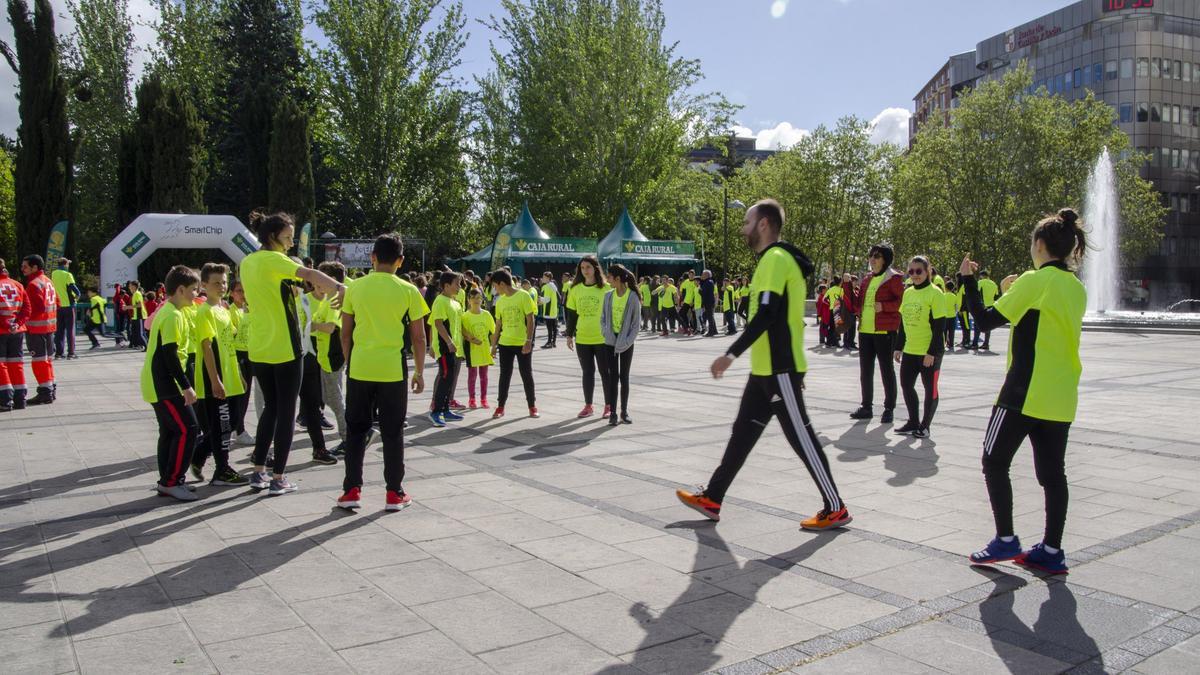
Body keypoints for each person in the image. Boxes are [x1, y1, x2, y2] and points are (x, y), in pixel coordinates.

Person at [676, 200, 850, 530]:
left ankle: (835, 506)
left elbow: (767, 315)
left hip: (780, 369)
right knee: (741, 435)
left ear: (764, 224)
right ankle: (713, 496)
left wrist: (730, 354)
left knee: (802, 438)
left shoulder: (774, 259)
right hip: (766, 372)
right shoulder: (776, 260)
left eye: (747, 222)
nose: (743, 228)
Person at [964, 208, 1087, 575]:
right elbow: (1038, 320)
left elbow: (985, 320)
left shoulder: (1035, 281)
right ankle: (1051, 550)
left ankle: (1005, 539)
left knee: (993, 461)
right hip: (1061, 395)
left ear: (1038, 244)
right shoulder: (1076, 288)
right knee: (1053, 476)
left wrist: (967, 280)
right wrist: (1013, 291)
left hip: (1022, 392)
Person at [241, 211, 345, 496]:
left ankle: (258, 471)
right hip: (285, 347)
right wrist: (339, 286)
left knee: (270, 411)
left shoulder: (247, 262)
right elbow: (309, 274)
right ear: (273, 237)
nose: (290, 243)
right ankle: (278, 477)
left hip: (259, 347)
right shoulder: (275, 260)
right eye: (287, 237)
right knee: (286, 413)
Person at [336, 233, 427, 512]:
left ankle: (351, 489)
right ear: (400, 261)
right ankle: (394, 493)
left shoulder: (355, 288)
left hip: (360, 366)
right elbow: (419, 337)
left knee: (355, 430)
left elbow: (346, 332)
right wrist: (419, 372)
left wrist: (350, 360)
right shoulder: (408, 289)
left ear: (372, 257)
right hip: (392, 369)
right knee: (392, 432)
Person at [141, 265, 202, 501]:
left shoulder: (171, 311)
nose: (196, 294)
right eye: (194, 290)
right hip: (165, 385)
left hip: (159, 383)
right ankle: (172, 481)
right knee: (189, 429)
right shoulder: (172, 315)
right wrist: (186, 386)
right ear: (180, 289)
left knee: (169, 431)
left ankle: (169, 479)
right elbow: (170, 355)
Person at [188, 263, 250, 487]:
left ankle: (198, 453)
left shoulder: (223, 309)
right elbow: (206, 348)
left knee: (231, 422)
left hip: (231, 377)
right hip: (216, 379)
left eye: (224, 282)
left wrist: (239, 375)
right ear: (203, 285)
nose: (222, 286)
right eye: (216, 283)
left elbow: (229, 346)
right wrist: (215, 380)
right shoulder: (204, 312)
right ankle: (222, 470)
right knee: (223, 426)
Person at [847, 245, 903, 423]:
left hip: (884, 331)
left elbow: (902, 302)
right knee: (866, 371)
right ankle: (866, 407)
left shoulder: (893, 278)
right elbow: (857, 305)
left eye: (877, 256)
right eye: (870, 256)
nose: (872, 259)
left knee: (887, 370)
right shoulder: (866, 279)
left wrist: (885, 306)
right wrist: (848, 286)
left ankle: (888, 408)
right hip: (865, 331)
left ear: (885, 259)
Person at [893, 256, 947, 438]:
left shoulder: (935, 293)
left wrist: (931, 352)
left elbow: (940, 326)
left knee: (929, 389)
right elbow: (903, 323)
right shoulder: (908, 293)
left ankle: (925, 425)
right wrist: (898, 347)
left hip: (929, 352)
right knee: (906, 385)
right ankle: (913, 421)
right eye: (911, 271)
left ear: (928, 271)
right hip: (910, 349)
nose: (915, 275)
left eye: (919, 271)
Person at [297, 276, 339, 466]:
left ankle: (319, 448)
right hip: (282, 356)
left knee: (313, 404)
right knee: (278, 408)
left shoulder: (304, 301)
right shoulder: (296, 301)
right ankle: (261, 453)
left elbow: (327, 327)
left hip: (308, 354)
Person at [565, 255, 612, 419]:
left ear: (595, 268)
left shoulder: (606, 288)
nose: (585, 271)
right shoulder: (575, 289)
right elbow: (572, 314)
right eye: (582, 268)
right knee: (587, 372)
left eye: (588, 267)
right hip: (583, 338)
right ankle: (588, 406)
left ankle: (609, 406)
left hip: (602, 338)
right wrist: (569, 335)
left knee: (605, 372)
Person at [490, 269, 538, 419]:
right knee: (504, 375)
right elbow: (498, 325)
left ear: (502, 284)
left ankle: (532, 406)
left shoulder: (523, 295)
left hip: (522, 343)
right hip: (505, 344)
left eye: (495, 286)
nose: (495, 290)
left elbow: (531, 320)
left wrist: (528, 341)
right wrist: (493, 345)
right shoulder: (500, 301)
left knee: (526, 374)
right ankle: (500, 407)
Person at [312, 262, 349, 454]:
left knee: (335, 399)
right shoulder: (327, 299)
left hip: (332, 357)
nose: (318, 282)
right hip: (324, 357)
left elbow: (330, 328)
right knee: (329, 397)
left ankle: (348, 438)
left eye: (322, 278)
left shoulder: (334, 300)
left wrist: (311, 326)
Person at [600, 264, 640, 425]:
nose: (607, 280)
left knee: (624, 377)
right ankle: (613, 414)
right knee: (612, 378)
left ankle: (624, 411)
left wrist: (626, 342)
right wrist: (607, 333)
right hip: (610, 341)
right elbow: (603, 319)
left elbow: (635, 325)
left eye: (609, 277)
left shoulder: (632, 297)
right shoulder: (608, 296)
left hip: (626, 343)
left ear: (617, 279)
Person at [429, 271, 465, 427]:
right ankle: (435, 411)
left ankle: (445, 409)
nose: (459, 287)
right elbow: (437, 323)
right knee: (444, 377)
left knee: (450, 378)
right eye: (456, 284)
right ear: (446, 285)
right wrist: (448, 342)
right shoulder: (440, 301)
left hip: (455, 348)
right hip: (444, 348)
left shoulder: (455, 302)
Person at [21, 255, 57, 405]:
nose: (22, 269)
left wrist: (22, 318)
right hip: (49, 327)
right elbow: (58, 302)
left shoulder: (33, 284)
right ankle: (50, 388)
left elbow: (36, 308)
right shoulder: (48, 281)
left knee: (39, 361)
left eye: (25, 267)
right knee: (47, 360)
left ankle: (44, 393)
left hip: (36, 329)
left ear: (35, 267)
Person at [0, 258, 30, 411]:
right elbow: (26, 309)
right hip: (17, 332)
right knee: (16, 364)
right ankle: (20, 399)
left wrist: (6, 324)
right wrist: (16, 324)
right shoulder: (18, 285)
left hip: (1, 331)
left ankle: (5, 400)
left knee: (1, 365)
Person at [227, 281, 255, 446]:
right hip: (239, 355)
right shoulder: (230, 311)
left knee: (245, 394)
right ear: (231, 293)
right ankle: (238, 429)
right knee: (239, 395)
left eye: (245, 290)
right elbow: (235, 335)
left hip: (251, 353)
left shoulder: (248, 309)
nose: (243, 294)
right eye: (239, 291)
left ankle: (237, 428)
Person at [461, 288, 495, 409]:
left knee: (484, 375)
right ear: (468, 300)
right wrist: (472, 339)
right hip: (471, 350)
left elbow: (494, 332)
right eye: (473, 298)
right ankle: (472, 399)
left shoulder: (486, 314)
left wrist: (494, 347)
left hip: (485, 349)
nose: (476, 300)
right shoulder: (465, 316)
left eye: (479, 298)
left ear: (482, 300)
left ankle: (483, 399)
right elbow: (463, 333)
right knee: (472, 375)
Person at [51, 258, 80, 359]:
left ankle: (59, 353)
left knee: (59, 330)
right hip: (69, 305)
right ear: (65, 264)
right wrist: (77, 296)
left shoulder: (53, 274)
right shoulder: (68, 275)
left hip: (57, 306)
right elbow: (74, 289)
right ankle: (71, 353)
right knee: (70, 330)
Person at [973, 271, 1000, 350]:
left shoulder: (980, 282)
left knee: (977, 325)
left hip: (982, 306)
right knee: (988, 325)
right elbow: (996, 296)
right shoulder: (994, 284)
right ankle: (986, 343)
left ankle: (975, 343)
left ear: (981, 276)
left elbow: (977, 293)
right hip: (991, 306)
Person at [539, 271, 559, 348]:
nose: (542, 278)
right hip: (554, 310)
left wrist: (540, 299)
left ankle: (549, 342)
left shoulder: (547, 286)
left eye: (543, 277)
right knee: (554, 328)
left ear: (548, 278)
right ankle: (553, 342)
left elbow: (547, 299)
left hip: (548, 310)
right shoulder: (553, 285)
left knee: (549, 328)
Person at [127, 281, 147, 349]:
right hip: (136, 316)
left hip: (140, 315)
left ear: (134, 286)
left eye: (130, 286)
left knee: (140, 334)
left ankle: (147, 347)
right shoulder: (135, 294)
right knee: (137, 333)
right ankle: (138, 345)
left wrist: (127, 307)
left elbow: (139, 305)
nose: (129, 287)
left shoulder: (137, 294)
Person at [699, 269, 718, 337]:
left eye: (703, 274)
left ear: (707, 275)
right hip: (709, 302)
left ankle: (711, 332)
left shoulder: (708, 282)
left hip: (708, 302)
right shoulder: (709, 281)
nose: (702, 276)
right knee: (710, 317)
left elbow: (703, 292)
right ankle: (714, 330)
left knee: (710, 317)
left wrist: (700, 291)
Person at [943, 279, 960, 351]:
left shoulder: (943, 295)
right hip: (952, 316)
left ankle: (943, 344)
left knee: (944, 331)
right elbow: (956, 307)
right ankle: (951, 344)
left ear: (945, 288)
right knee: (951, 331)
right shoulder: (954, 296)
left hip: (944, 316)